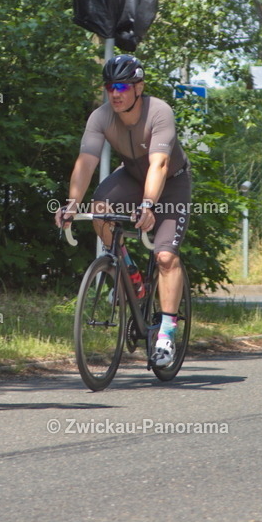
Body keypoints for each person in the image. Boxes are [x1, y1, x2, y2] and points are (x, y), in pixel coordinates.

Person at [55, 54, 192, 366]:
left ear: (138, 87)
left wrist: (148, 205)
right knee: (99, 209)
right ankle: (129, 273)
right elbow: (86, 162)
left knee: (165, 257)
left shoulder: (159, 111)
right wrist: (71, 204)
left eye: (121, 87)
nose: (114, 94)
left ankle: (166, 334)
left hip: (171, 182)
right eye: (109, 87)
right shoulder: (100, 117)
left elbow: (159, 164)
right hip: (131, 175)